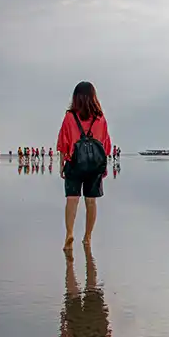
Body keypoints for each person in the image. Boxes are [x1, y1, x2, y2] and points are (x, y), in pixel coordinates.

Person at [57, 82, 112, 251]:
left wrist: (61, 165)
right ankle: (87, 237)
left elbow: (63, 142)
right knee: (91, 201)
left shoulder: (69, 117)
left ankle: (69, 234)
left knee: (72, 199)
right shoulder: (100, 118)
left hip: (74, 162)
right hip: (94, 166)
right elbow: (105, 145)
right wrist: (104, 166)